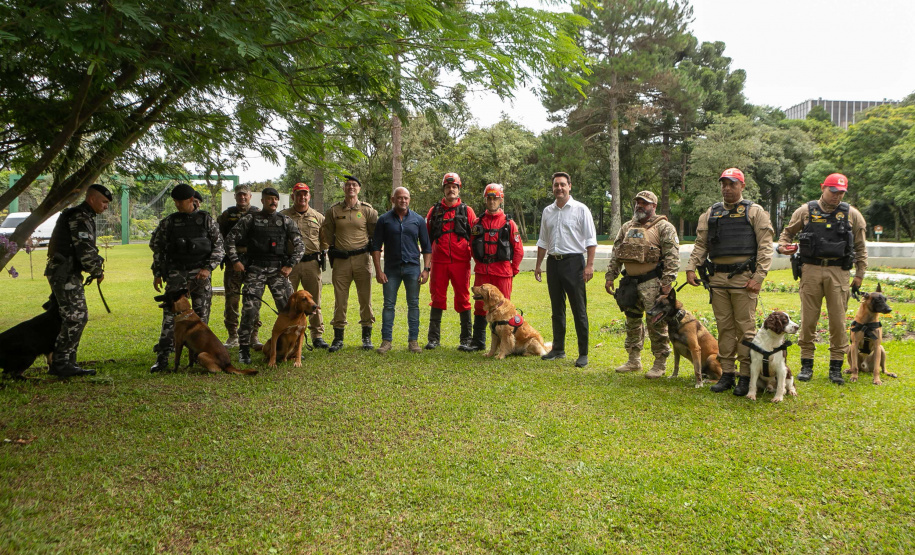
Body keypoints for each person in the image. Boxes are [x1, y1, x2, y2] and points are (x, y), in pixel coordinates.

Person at [686, 168, 774, 396]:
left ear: (742, 186)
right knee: (724, 328)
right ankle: (726, 373)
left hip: (744, 279)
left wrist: (758, 277)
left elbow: (765, 247)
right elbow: (701, 244)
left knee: (745, 329)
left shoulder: (755, 212)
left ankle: (745, 376)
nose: (727, 188)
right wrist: (691, 267)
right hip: (717, 279)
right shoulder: (711, 213)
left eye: (732, 184)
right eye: (724, 184)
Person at [778, 173, 867, 385]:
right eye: (833, 191)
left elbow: (861, 247)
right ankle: (806, 364)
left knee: (838, 321)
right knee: (808, 319)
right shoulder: (805, 211)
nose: (837, 196)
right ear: (823, 188)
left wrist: (859, 274)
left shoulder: (852, 214)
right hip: (811, 269)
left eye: (841, 193)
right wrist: (782, 247)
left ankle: (835, 366)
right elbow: (786, 234)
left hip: (838, 271)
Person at [148, 183, 225, 372]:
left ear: (191, 200)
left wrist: (208, 268)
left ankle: (197, 357)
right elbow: (157, 246)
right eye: (175, 201)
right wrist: (158, 272)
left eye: (180, 201)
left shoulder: (206, 220)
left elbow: (219, 247)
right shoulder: (169, 222)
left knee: (200, 317)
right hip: (176, 273)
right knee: (169, 317)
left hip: (199, 274)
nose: (177, 204)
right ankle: (163, 358)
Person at [604, 191, 680, 378]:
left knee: (656, 323)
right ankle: (633, 360)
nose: (640, 205)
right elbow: (616, 253)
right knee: (632, 320)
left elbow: (672, 256)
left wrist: (667, 283)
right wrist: (610, 276)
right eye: (638, 202)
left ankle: (660, 363)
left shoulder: (664, 227)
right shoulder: (626, 227)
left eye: (644, 203)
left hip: (653, 282)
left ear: (654, 206)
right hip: (630, 283)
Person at [225, 187, 305, 364]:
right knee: (250, 310)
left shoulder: (285, 221)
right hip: (256, 269)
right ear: (262, 201)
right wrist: (235, 261)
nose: (273, 202)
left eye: (275, 199)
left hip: (278, 270)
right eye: (269, 199)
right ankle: (244, 349)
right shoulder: (250, 219)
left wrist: (290, 265)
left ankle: (291, 349)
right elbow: (229, 239)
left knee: (289, 309)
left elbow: (300, 245)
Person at [43, 184, 111, 377]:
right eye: (104, 202)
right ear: (92, 199)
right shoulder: (80, 216)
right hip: (64, 272)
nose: (106, 206)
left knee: (71, 316)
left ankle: (67, 361)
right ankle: (61, 363)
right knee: (76, 316)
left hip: (66, 271)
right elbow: (85, 249)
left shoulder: (83, 215)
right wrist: (96, 270)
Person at [534, 172, 598, 368]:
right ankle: (558, 349)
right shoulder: (548, 211)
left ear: (570, 186)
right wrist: (538, 265)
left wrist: (589, 265)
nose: (559, 188)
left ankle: (583, 353)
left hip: (574, 263)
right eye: (556, 185)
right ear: (553, 188)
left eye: (563, 184)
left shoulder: (581, 210)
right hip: (553, 263)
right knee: (557, 309)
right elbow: (543, 240)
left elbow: (591, 240)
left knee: (579, 309)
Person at [371, 187, 432, 353]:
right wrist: (378, 271)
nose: (403, 200)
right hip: (391, 269)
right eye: (399, 198)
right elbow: (376, 247)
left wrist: (426, 269)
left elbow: (427, 247)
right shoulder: (384, 220)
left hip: (413, 268)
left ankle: (413, 341)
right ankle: (386, 341)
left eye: (406, 198)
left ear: (409, 199)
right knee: (388, 305)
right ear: (393, 199)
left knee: (414, 305)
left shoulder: (418, 220)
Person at [465, 183, 524, 352]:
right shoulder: (477, 223)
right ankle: (478, 341)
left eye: (495, 198)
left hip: (502, 272)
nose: (492, 201)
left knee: (502, 307)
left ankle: (504, 345)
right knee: (479, 305)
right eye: (489, 198)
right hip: (483, 271)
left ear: (500, 200)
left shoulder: (509, 224)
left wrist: (514, 269)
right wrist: (480, 263)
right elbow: (472, 246)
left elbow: (518, 249)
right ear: (485, 200)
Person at [322, 175, 378, 352]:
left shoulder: (368, 210)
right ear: (344, 188)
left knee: (365, 299)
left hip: (362, 259)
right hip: (341, 261)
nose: (351, 187)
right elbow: (327, 234)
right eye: (348, 185)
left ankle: (366, 336)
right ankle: (338, 338)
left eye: (354, 185)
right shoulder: (334, 211)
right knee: (340, 300)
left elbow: (374, 234)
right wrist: (335, 248)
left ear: (359, 189)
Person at [424, 172, 477, 350]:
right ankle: (433, 339)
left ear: (458, 189)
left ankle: (466, 338)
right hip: (439, 262)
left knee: (463, 298)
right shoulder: (434, 211)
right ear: (444, 189)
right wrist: (427, 264)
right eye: (448, 187)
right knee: (437, 297)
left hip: (461, 262)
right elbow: (427, 238)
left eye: (454, 187)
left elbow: (475, 237)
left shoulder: (467, 211)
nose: (451, 190)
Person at [280, 182, 330, 349]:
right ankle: (288, 333)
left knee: (314, 301)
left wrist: (321, 254)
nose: (302, 197)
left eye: (305, 194)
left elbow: (324, 240)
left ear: (309, 196)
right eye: (298, 194)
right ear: (293, 196)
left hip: (311, 264)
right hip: (290, 265)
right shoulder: (283, 216)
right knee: (289, 301)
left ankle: (317, 335)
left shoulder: (318, 217)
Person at [216, 184, 260, 348]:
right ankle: (233, 335)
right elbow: (219, 236)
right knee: (232, 300)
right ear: (235, 196)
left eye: (245, 195)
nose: (242, 197)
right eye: (239, 195)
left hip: (253, 263)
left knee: (253, 299)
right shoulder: (227, 215)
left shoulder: (257, 213)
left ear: (250, 196)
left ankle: (253, 336)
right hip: (232, 262)